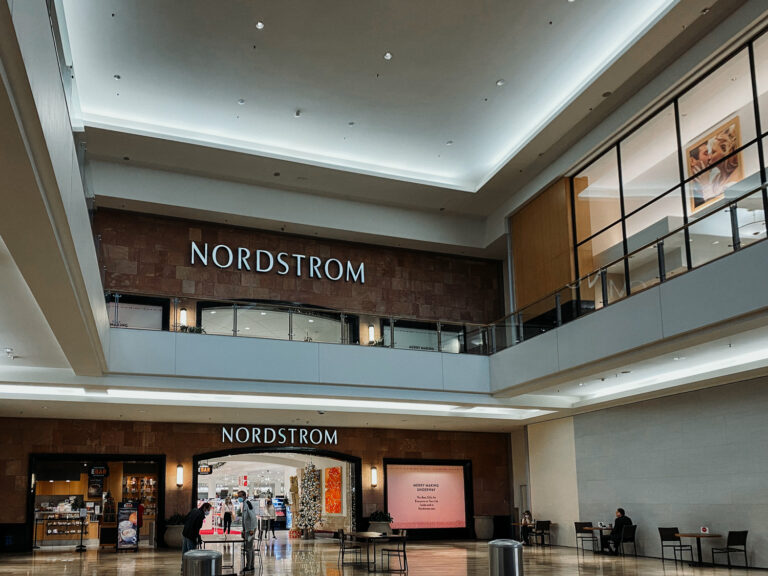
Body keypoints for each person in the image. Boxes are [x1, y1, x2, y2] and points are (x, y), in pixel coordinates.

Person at [181, 502, 212, 566]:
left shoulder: (194, 510)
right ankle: (191, 567)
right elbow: (196, 528)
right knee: (192, 553)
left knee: (185, 552)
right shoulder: (200, 515)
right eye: (208, 510)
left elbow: (186, 518)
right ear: (204, 508)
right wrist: (198, 538)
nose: (208, 512)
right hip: (191, 535)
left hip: (185, 533)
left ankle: (184, 566)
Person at [239, 490, 258, 573]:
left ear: (244, 496)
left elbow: (253, 517)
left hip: (250, 529)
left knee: (248, 548)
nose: (238, 498)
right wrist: (243, 530)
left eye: (240, 496)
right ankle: (251, 565)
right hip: (247, 529)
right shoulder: (244, 504)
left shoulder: (248, 503)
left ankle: (248, 566)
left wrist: (252, 530)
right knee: (250, 548)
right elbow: (245, 519)